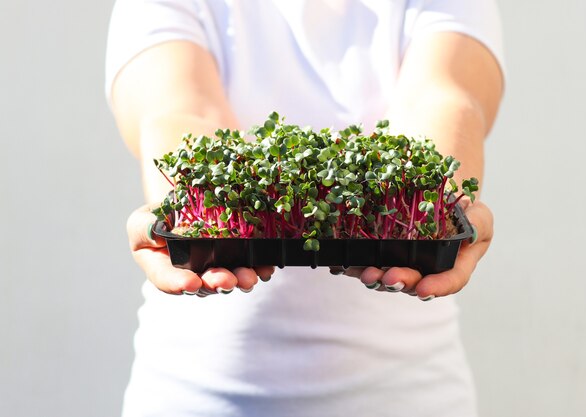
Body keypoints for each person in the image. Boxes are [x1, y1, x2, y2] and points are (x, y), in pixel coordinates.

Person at [106, 1, 503, 416]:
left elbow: (442, 98)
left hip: (408, 394)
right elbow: (182, 110)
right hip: (198, 392)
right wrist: (197, 206)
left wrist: (436, 207)